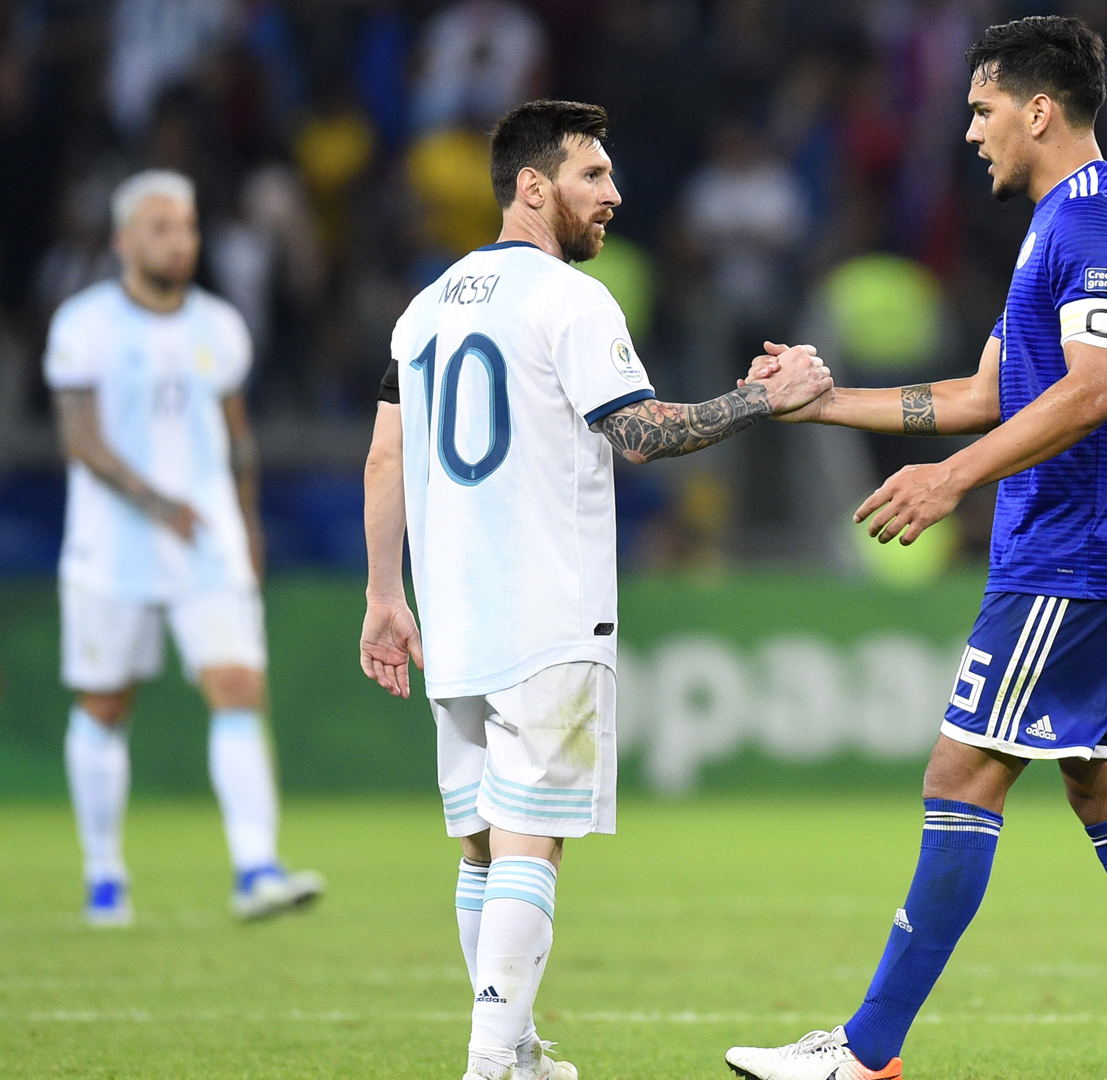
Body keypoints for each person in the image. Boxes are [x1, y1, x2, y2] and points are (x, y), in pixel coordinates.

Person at [724, 18, 1107, 1080]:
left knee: (960, 773)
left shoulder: (1090, 224)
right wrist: (819, 403)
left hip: (1074, 556)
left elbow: (1093, 390)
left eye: (982, 109)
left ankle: (865, 1055)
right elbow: (983, 393)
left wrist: (953, 481)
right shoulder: (1078, 217)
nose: (968, 131)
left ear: (1038, 111)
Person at [357, 100, 830, 1080]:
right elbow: (642, 433)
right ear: (533, 188)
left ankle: (520, 1051)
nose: (615, 193)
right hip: (549, 609)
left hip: (454, 612)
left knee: (483, 845)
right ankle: (492, 1062)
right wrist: (763, 396)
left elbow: (384, 456)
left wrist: (383, 595)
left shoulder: (426, 306)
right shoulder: (572, 301)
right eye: (593, 176)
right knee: (530, 842)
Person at [46, 169, 324, 927]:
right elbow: (79, 438)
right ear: (124, 240)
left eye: (189, 227)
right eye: (162, 227)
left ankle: (256, 869)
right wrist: (156, 503)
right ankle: (105, 875)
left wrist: (248, 529)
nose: (180, 242)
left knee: (238, 687)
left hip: (207, 544)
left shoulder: (219, 326)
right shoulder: (84, 325)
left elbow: (237, 439)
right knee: (105, 704)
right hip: (111, 548)